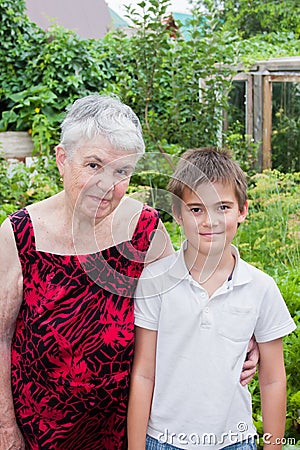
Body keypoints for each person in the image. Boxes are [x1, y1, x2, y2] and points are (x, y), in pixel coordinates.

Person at [0, 96, 256, 450]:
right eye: (93, 165)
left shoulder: (145, 228)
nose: (107, 185)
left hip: (128, 429)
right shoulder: (20, 234)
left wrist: (247, 337)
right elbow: (1, 337)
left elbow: (190, 304)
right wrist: (5, 429)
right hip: (41, 432)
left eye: (121, 171)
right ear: (62, 159)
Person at [127, 147, 296, 450]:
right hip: (163, 441)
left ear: (242, 210)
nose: (210, 221)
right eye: (196, 209)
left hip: (235, 440)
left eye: (223, 207)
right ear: (177, 214)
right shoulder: (154, 281)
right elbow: (143, 374)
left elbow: (272, 380)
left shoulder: (261, 287)